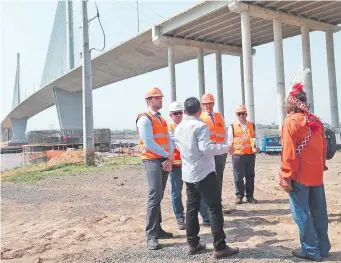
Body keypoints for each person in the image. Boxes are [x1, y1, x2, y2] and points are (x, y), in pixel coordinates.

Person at [174, 97, 239, 258]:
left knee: (191, 209)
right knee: (214, 209)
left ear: (184, 111)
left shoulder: (178, 127)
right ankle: (220, 246)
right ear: (200, 110)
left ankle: (193, 244)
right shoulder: (200, 126)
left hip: (188, 174)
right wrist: (226, 148)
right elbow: (206, 148)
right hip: (204, 173)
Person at [279, 82, 330, 261]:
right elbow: (323, 149)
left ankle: (310, 250)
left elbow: (289, 153)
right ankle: (323, 248)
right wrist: (320, 167)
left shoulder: (290, 122)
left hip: (299, 176)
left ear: (291, 105)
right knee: (319, 212)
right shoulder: (316, 121)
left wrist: (286, 176)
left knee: (301, 213)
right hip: (316, 175)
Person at [136, 87, 174, 250]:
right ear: (149, 101)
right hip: (152, 161)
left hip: (164, 159)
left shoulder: (161, 119)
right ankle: (151, 235)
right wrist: (167, 155)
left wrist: (169, 156)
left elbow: (169, 139)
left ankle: (158, 230)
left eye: (161, 97)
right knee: (154, 195)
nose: (160, 100)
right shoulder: (145, 119)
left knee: (158, 196)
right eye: (157, 98)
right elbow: (149, 143)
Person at [168, 101, 210, 230]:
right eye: (175, 113)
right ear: (170, 115)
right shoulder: (169, 128)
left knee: (197, 190)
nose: (178, 115)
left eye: (180, 112)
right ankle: (180, 218)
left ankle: (205, 216)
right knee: (176, 193)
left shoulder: (187, 125)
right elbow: (176, 144)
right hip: (176, 164)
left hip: (189, 164)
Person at [227, 105, 261, 204]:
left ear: (246, 114)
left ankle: (250, 196)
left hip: (250, 155)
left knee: (250, 176)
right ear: (236, 115)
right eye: (239, 114)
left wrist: (258, 147)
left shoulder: (252, 125)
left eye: (243, 113)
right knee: (238, 177)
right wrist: (229, 149)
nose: (241, 116)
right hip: (237, 155)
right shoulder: (232, 127)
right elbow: (229, 141)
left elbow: (257, 138)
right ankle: (239, 196)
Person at [200, 93, 227, 200]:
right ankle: (207, 202)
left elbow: (224, 133)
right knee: (207, 177)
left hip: (220, 152)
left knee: (219, 177)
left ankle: (217, 201)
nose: (209, 106)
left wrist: (225, 148)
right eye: (206, 104)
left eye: (210, 103)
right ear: (203, 105)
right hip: (208, 152)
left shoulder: (219, 116)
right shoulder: (201, 117)